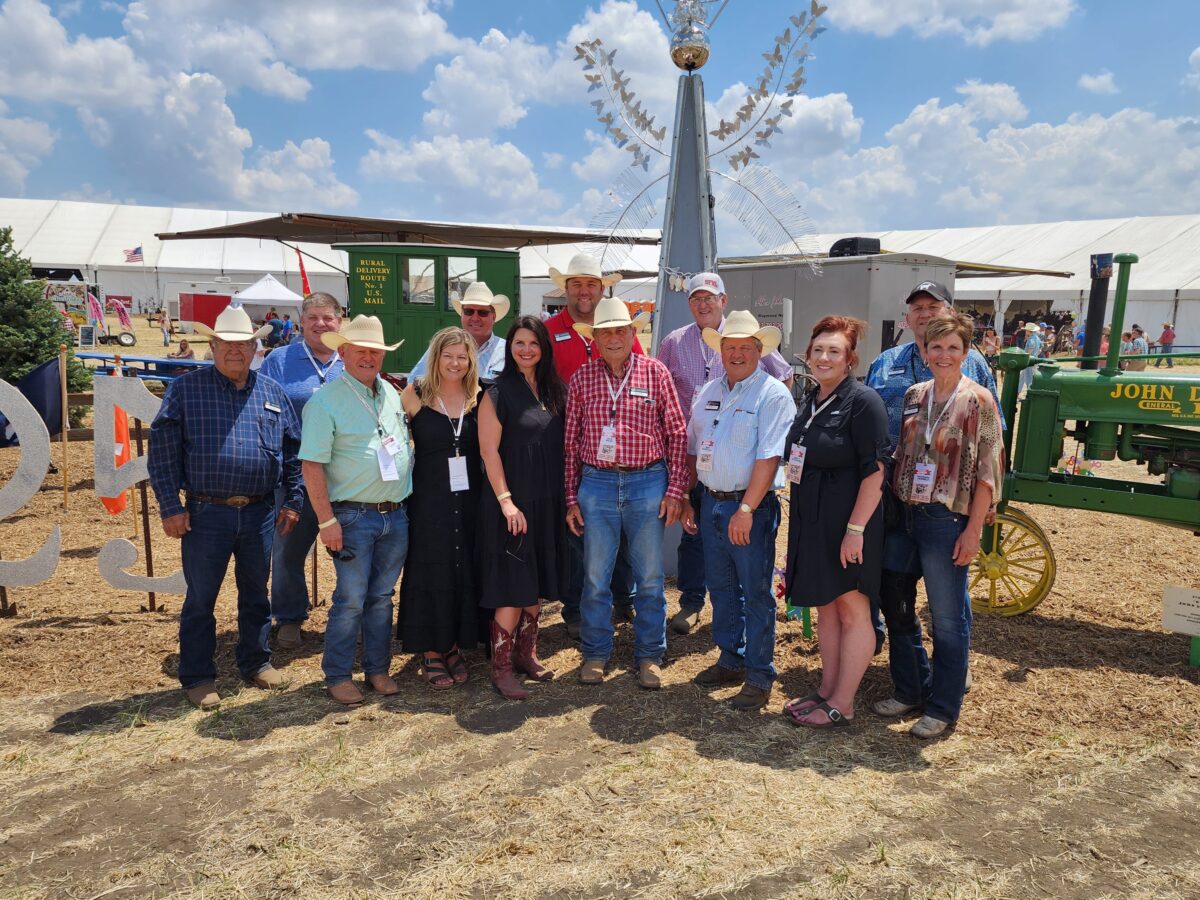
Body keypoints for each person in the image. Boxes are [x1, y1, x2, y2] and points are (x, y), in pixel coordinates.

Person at [147, 306, 302, 710]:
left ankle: (256, 661)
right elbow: (162, 452)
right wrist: (169, 506)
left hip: (260, 511)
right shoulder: (186, 390)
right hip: (205, 512)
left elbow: (293, 451)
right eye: (227, 344)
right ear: (213, 346)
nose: (236, 351)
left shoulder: (271, 392)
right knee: (201, 597)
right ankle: (198, 675)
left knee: (256, 592)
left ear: (255, 347)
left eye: (244, 344)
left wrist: (294, 500)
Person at [875, 312, 1002, 738]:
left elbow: (988, 471)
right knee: (896, 603)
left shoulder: (978, 400)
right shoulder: (915, 394)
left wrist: (973, 531)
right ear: (924, 351)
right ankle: (911, 687)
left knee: (948, 619)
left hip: (946, 519)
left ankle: (944, 705)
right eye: (936, 347)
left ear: (966, 353)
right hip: (905, 515)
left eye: (953, 348)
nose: (943, 355)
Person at [656, 272, 794, 636]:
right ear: (689, 304)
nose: (703, 304)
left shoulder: (746, 339)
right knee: (694, 533)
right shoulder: (673, 342)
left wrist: (763, 418)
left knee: (741, 543)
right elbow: (661, 388)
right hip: (694, 454)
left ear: (723, 300)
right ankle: (691, 603)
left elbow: (785, 378)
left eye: (709, 298)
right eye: (696, 298)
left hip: (739, 460)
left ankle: (741, 620)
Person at [564, 295, 687, 689]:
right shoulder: (582, 379)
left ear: (632, 333)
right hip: (597, 484)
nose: (614, 338)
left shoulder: (655, 373)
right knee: (596, 577)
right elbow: (571, 443)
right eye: (605, 332)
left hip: (647, 481)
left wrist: (675, 489)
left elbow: (677, 433)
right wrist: (570, 497)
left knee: (650, 577)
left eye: (620, 330)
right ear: (594, 338)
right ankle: (596, 653)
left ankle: (650, 654)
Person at [681, 311, 795, 711]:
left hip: (750, 507)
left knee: (756, 593)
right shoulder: (708, 390)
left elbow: (769, 457)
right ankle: (731, 658)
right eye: (730, 347)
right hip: (711, 501)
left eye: (745, 347)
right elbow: (694, 448)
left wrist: (746, 508)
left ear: (759, 351)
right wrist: (686, 497)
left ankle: (760, 673)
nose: (737, 353)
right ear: (720, 351)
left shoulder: (772, 394)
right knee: (721, 588)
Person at [300, 315, 413, 705]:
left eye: (375, 351)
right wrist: (326, 520)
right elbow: (311, 465)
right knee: (350, 598)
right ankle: (337, 674)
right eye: (361, 350)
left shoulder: (392, 394)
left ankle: (377, 669)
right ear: (343, 352)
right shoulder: (324, 401)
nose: (369, 357)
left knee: (382, 596)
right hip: (351, 516)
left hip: (394, 514)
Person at [782, 317, 889, 727]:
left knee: (852, 610)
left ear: (850, 360)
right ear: (808, 355)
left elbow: (876, 470)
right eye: (819, 350)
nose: (824, 357)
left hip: (849, 525)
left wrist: (856, 530)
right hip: (813, 521)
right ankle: (826, 690)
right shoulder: (811, 398)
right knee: (827, 608)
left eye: (834, 351)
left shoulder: (864, 402)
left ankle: (843, 703)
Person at [544, 253, 643, 636]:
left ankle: (624, 598)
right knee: (577, 526)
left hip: (615, 446)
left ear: (602, 290)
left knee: (619, 525)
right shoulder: (549, 329)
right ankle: (574, 605)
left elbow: (639, 373)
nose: (584, 292)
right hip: (564, 440)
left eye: (591, 285)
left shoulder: (617, 330)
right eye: (576, 285)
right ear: (565, 289)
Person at [478, 316, 569, 700]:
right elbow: (488, 452)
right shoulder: (497, 392)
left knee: (534, 585)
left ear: (544, 348)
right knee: (512, 587)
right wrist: (506, 502)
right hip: (511, 505)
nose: (526, 350)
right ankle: (500, 669)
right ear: (509, 347)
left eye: (533, 343)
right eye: (519, 343)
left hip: (546, 501)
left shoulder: (553, 390)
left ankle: (525, 654)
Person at [258, 292, 345, 648]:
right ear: (302, 321)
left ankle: (348, 616)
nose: (321, 324)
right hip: (294, 473)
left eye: (328, 318)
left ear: (340, 321)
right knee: (288, 550)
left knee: (350, 550)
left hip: (344, 476)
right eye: (313, 318)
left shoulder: (351, 359)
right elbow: (264, 411)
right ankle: (290, 617)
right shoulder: (279, 360)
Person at [399, 328, 482, 690]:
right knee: (429, 568)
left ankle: (453, 645)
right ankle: (430, 649)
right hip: (428, 500)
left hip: (469, 500)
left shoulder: (480, 396)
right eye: (448, 355)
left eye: (462, 356)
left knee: (461, 567)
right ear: (436, 357)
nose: (455, 362)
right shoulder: (414, 395)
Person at [408, 281, 508, 380]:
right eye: (469, 311)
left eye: (482, 313)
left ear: (493, 317)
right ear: (462, 314)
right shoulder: (442, 345)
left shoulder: (508, 351)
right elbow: (414, 381)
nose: (475, 318)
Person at [1018, 322, 1043, 393]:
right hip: (1034, 360)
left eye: (1026, 330)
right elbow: (1041, 347)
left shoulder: (1031, 339)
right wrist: (1036, 354)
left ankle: (1030, 394)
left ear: (1029, 331)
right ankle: (1017, 392)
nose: (1025, 331)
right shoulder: (1037, 338)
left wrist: (1026, 357)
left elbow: (1030, 349)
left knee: (1029, 379)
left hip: (1029, 361)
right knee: (1022, 378)